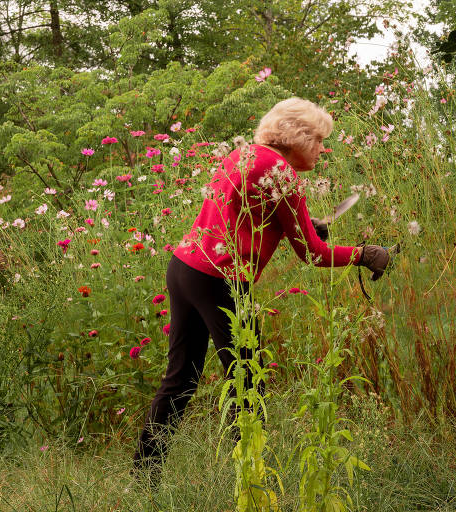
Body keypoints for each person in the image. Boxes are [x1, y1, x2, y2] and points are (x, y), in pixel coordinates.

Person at [133, 97, 390, 470]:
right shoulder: (281, 172)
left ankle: (144, 475)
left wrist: (303, 224)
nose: (322, 148)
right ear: (298, 137)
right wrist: (365, 254)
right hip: (220, 279)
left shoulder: (246, 155)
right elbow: (313, 254)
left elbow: (245, 216)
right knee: (248, 384)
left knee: (181, 381)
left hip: (185, 268)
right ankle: (252, 478)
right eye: (318, 139)